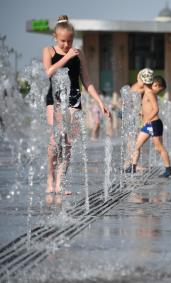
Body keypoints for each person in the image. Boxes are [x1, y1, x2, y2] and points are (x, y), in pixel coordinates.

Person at [42, 15, 110, 194]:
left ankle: (60, 183)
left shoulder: (79, 54)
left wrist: (100, 101)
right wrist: (66, 57)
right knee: (54, 141)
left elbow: (86, 81)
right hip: (54, 100)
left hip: (74, 100)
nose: (67, 44)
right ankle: (50, 179)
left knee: (67, 143)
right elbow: (49, 72)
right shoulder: (49, 51)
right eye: (63, 41)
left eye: (70, 40)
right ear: (55, 38)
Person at [125, 69, 171, 177]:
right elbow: (146, 106)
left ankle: (168, 169)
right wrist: (141, 112)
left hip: (154, 124)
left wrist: (147, 119)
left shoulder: (150, 93)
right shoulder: (146, 92)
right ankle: (132, 167)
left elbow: (156, 109)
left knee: (159, 147)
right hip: (148, 125)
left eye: (140, 81)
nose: (138, 83)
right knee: (137, 145)